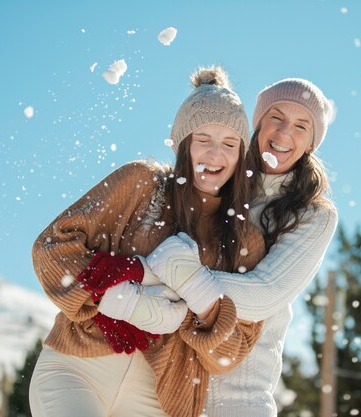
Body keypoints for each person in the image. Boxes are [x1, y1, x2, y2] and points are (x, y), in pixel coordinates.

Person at [29, 66, 266, 417]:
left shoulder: (243, 238)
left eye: (229, 144)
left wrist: (194, 308)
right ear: (183, 143)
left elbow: (231, 352)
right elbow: (51, 247)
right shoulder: (141, 184)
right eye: (203, 139)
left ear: (241, 154)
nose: (215, 155)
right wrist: (109, 294)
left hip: (160, 397)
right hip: (77, 367)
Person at [138, 77, 338, 416]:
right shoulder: (220, 183)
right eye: (276, 117)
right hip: (170, 387)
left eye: (301, 125)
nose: (285, 131)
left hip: (241, 397)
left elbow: (265, 295)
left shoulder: (312, 214)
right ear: (256, 125)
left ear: (311, 143)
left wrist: (168, 279)